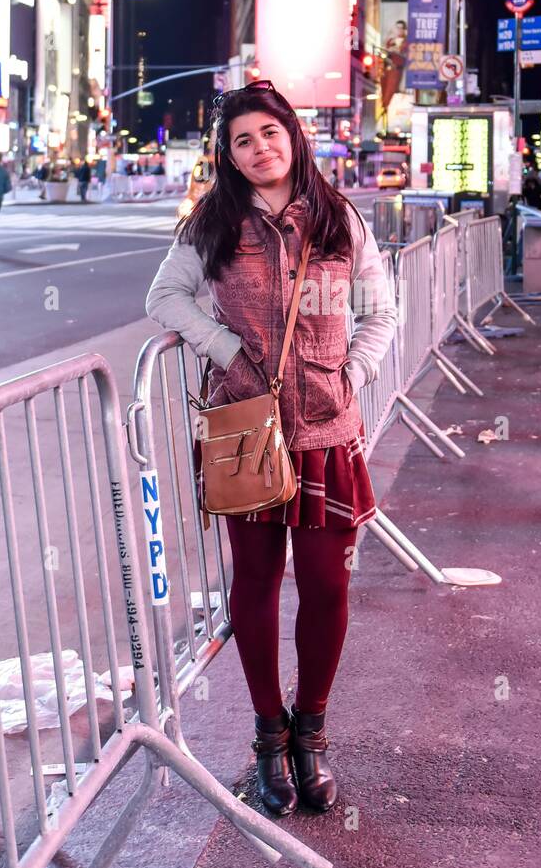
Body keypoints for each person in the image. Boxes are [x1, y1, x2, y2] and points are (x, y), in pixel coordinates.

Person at [145, 79, 397, 817]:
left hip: (325, 431)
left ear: (293, 136)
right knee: (253, 584)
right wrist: (225, 348)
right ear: (227, 156)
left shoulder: (338, 218)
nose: (259, 149)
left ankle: (310, 732)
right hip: (244, 427)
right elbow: (164, 297)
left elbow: (379, 309)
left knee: (326, 584)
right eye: (242, 141)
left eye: (269, 133)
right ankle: (267, 735)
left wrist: (349, 374)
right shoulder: (215, 222)